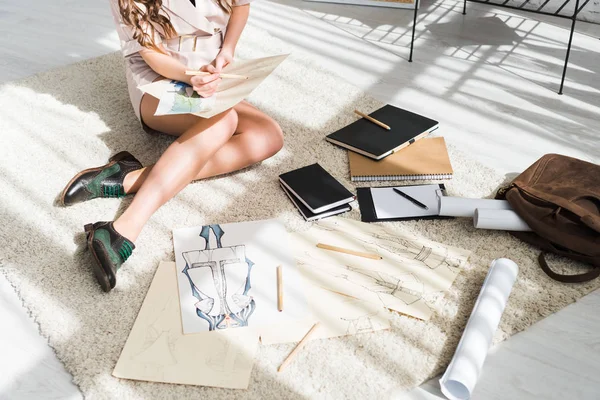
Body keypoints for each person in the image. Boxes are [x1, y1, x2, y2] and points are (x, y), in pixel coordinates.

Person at [59, 0, 283, 292]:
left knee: (269, 135)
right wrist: (191, 77)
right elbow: (151, 53)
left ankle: (127, 177)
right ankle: (122, 229)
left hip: (210, 77)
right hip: (158, 80)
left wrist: (226, 52)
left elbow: (240, 5)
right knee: (223, 123)